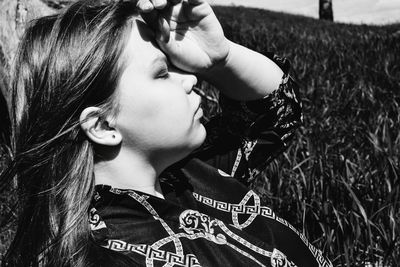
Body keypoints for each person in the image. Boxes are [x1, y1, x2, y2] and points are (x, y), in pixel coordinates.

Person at [1, 0, 332, 266]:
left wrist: (219, 57)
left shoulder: (188, 173)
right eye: (162, 73)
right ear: (102, 125)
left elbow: (276, 112)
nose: (191, 78)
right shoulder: (105, 255)